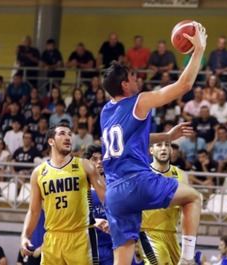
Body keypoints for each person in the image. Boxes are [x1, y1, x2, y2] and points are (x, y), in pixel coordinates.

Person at [100, 22, 206, 264]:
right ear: (125, 85)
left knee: (122, 261)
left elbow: (133, 141)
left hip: (114, 192)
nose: (137, 80)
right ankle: (188, 259)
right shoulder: (139, 101)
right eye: (132, 77)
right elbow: (184, 86)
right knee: (193, 198)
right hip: (137, 181)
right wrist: (198, 50)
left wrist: (167, 137)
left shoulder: (106, 112)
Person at [20, 122, 105, 265]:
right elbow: (34, 211)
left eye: (70, 135)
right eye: (62, 134)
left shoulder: (84, 165)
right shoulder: (38, 173)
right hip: (52, 238)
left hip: (80, 237)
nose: (68, 137)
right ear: (51, 141)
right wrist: (25, 236)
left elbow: (106, 198)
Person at [141, 141, 188, 264]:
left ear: (171, 150)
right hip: (149, 232)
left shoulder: (181, 175)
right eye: (159, 145)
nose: (164, 148)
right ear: (151, 150)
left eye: (167, 145)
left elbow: (186, 209)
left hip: (172, 233)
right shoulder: (142, 173)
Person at [83, 144, 114, 265]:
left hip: (112, 246)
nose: (99, 162)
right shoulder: (81, 189)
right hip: (87, 246)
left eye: (102, 158)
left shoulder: (115, 187)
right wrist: (94, 221)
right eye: (94, 159)